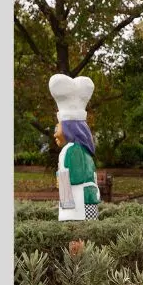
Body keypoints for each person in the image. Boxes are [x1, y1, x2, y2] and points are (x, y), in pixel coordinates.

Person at [48, 74, 101, 221]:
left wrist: (66, 211)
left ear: (68, 128)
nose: (55, 134)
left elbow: (71, 179)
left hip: (77, 206)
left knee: (75, 229)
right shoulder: (83, 150)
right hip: (86, 201)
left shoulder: (71, 150)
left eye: (57, 128)